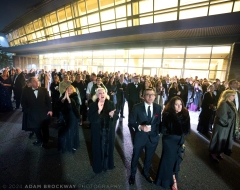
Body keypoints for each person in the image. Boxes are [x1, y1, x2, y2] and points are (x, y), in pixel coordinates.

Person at [128, 88, 162, 185]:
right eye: (148, 94)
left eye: (152, 94)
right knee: (135, 157)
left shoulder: (158, 107)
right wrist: (140, 127)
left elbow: (158, 122)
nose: (150, 96)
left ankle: (145, 173)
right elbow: (131, 122)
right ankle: (132, 175)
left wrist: (158, 134)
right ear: (143, 96)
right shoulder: (137, 107)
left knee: (149, 158)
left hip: (153, 137)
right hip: (140, 137)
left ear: (155, 96)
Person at [155, 96, 190, 190]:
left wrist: (180, 133)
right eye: (176, 105)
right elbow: (163, 129)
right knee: (168, 161)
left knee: (176, 160)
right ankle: (171, 181)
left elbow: (187, 130)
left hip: (179, 140)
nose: (179, 107)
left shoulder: (185, 113)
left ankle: (173, 178)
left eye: (180, 104)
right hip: (169, 140)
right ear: (172, 105)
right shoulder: (167, 114)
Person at [88, 88, 118, 173]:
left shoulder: (111, 103)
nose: (102, 94)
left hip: (109, 131)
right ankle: (98, 167)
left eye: (103, 93)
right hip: (97, 132)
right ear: (97, 95)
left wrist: (113, 115)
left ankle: (108, 165)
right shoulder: (93, 105)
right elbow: (91, 119)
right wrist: (98, 111)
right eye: (100, 93)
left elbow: (116, 116)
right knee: (97, 148)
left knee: (109, 148)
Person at [21, 77, 52, 148]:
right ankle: (39, 139)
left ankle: (45, 141)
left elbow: (48, 101)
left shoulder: (44, 90)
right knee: (36, 128)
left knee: (45, 128)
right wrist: (28, 111)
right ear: (31, 83)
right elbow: (23, 102)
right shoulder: (25, 91)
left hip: (43, 113)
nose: (37, 82)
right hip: (32, 114)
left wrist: (50, 110)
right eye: (35, 81)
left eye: (37, 81)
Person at [209, 90, 239, 162]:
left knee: (223, 140)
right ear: (228, 96)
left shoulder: (230, 103)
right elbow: (222, 117)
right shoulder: (224, 104)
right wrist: (229, 122)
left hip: (227, 126)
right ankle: (213, 153)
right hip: (222, 126)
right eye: (233, 95)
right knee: (218, 139)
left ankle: (218, 152)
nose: (234, 97)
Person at [56, 85, 80, 153]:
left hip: (72, 116)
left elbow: (74, 107)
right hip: (64, 116)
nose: (69, 89)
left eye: (71, 88)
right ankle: (64, 145)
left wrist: (68, 98)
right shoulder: (63, 95)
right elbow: (58, 105)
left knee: (71, 131)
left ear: (73, 90)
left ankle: (72, 145)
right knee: (64, 131)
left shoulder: (75, 97)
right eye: (68, 88)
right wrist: (64, 97)